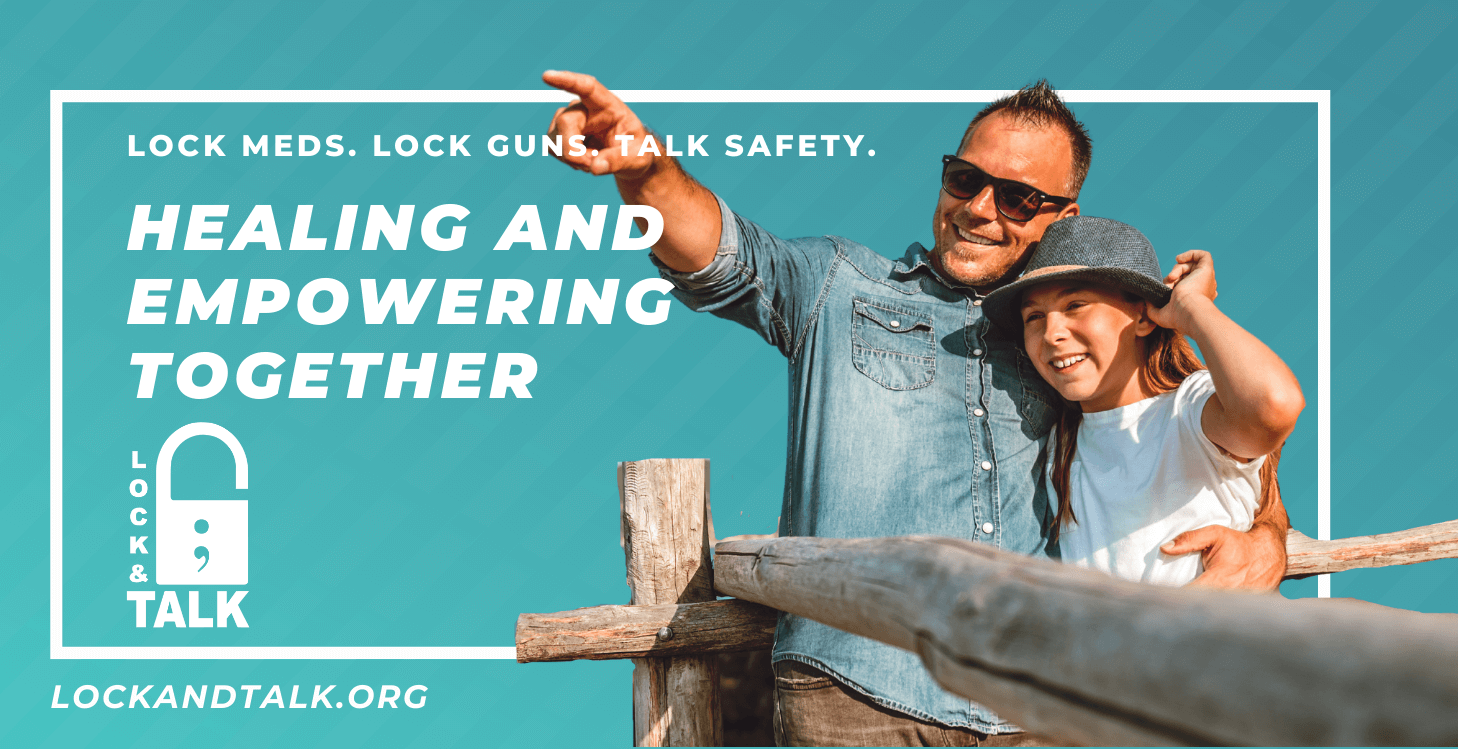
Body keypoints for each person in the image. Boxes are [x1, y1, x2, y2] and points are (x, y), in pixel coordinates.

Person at [541, 70, 1291, 746]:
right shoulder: (838, 286)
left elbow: (1214, 433)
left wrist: (1269, 534)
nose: (981, 208)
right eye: (965, 179)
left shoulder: (1063, 345)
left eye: (1020, 197)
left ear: (1062, 215)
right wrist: (646, 171)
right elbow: (720, 254)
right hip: (858, 696)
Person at [982, 218, 1304, 585]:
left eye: (1075, 305)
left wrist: (1192, 308)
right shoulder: (1059, 446)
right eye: (1034, 317)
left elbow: (1274, 405)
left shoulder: (1190, 409)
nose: (1052, 333)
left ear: (1143, 316)